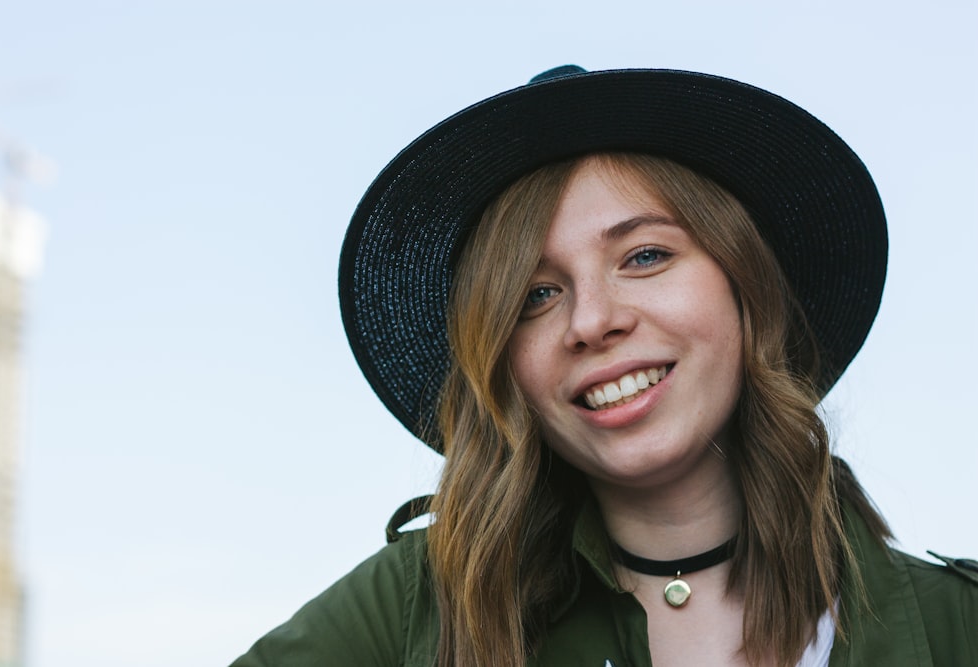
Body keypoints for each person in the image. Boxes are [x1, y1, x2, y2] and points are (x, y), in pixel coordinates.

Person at [231, 66, 978, 666]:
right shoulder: (415, 607)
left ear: (747, 288)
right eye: (535, 295)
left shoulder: (959, 625)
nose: (591, 320)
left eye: (645, 255)